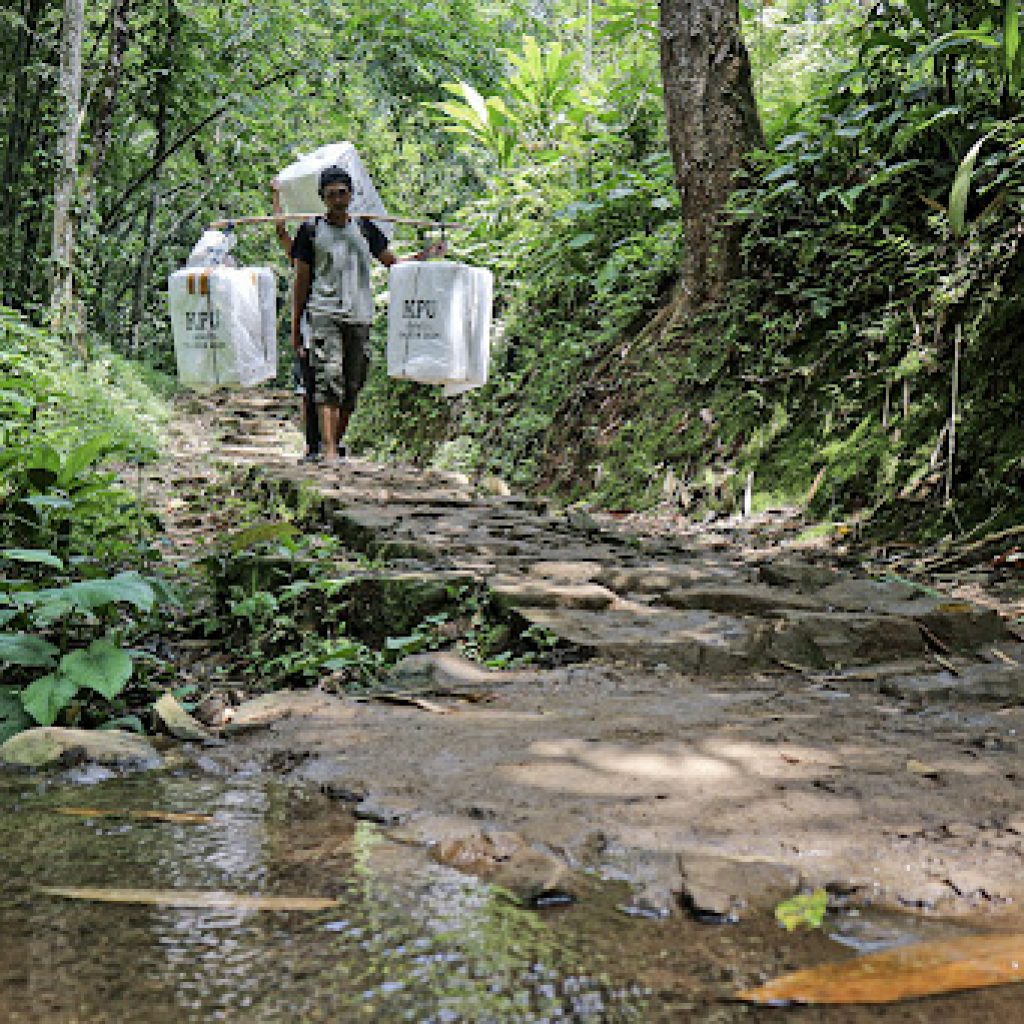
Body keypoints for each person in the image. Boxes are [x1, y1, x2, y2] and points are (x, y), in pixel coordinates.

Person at [290, 166, 445, 465]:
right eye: (331, 193)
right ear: (322, 197)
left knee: (352, 384)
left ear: (351, 194)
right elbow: (301, 281)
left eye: (343, 192)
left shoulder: (364, 229)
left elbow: (394, 264)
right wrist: (296, 326)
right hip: (324, 313)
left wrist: (427, 254)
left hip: (360, 316)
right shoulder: (310, 231)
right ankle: (330, 451)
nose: (338, 198)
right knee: (328, 378)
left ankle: (334, 442)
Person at [271, 179, 320, 462]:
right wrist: (277, 196)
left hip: (332, 321)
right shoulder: (300, 256)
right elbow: (281, 230)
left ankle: (324, 443)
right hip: (307, 325)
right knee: (306, 389)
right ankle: (311, 443)